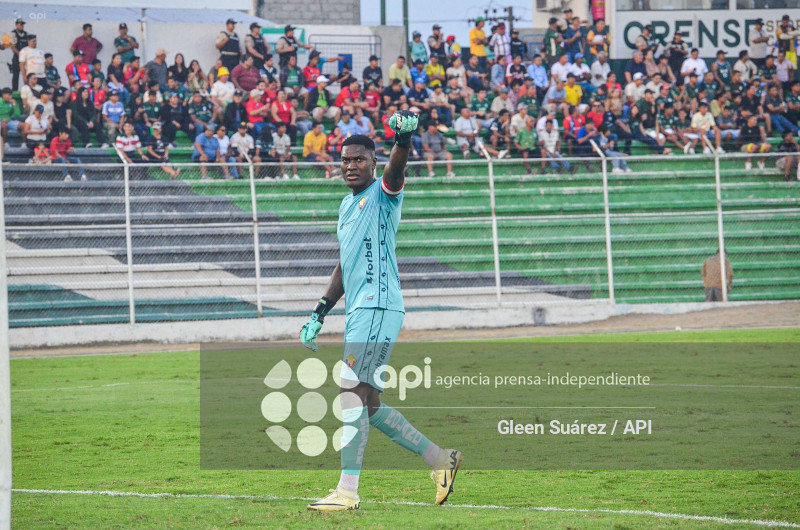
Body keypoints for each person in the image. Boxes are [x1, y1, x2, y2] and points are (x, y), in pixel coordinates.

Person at [302, 115, 463, 511]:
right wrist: (320, 310)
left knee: (350, 395)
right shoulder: (346, 205)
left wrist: (402, 140)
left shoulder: (383, 193)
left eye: (358, 159)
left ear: (373, 162)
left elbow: (397, 169)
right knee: (368, 405)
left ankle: (347, 492)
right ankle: (441, 461)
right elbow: (345, 262)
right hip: (360, 309)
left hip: (377, 306)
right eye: (344, 160)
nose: (350, 165)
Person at [0, 18, 29, 91]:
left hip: (25, 58)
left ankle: (27, 89)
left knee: (26, 75)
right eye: (20, 24)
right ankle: (14, 90)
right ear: (16, 25)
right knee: (16, 75)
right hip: (17, 57)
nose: (21, 26)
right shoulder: (13, 33)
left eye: (22, 24)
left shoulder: (26, 34)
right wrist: (20, 55)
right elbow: (13, 47)